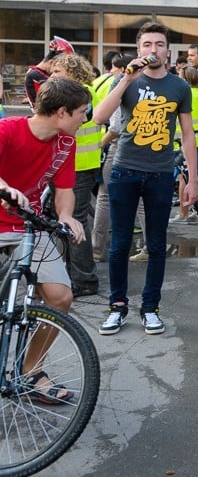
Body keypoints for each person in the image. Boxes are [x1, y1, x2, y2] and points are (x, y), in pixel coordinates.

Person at [93, 21, 198, 337]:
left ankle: (150, 308)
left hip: (160, 173)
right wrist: (127, 79)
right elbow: (99, 117)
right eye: (147, 45)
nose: (153, 50)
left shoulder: (179, 87)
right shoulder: (126, 81)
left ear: (168, 51)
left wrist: (192, 180)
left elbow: (189, 134)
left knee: (155, 244)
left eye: (159, 44)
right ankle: (117, 307)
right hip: (124, 170)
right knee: (120, 243)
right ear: (139, 50)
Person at [0, 76, 89, 403]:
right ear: (62, 112)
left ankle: (30, 370)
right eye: (82, 112)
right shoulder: (8, 130)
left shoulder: (66, 142)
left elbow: (65, 190)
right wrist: (6, 187)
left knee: (60, 297)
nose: (85, 118)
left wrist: (66, 216)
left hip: (29, 225)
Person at [48, 53, 102, 297]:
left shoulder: (80, 94)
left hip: (79, 164)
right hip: (78, 163)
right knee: (69, 218)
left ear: (72, 73)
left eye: (57, 72)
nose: (52, 76)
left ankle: (84, 278)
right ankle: (74, 273)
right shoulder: (85, 91)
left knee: (75, 219)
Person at [91, 52, 137, 261]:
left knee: (105, 197)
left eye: (115, 68)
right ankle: (151, 248)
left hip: (119, 145)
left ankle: (97, 249)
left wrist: (101, 143)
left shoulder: (119, 83)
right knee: (142, 200)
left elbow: (116, 126)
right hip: (142, 146)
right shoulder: (149, 83)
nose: (112, 72)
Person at [171, 66, 198, 222]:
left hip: (184, 141)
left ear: (184, 79)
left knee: (184, 178)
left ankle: (183, 213)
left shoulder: (182, 95)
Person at [25, 36, 74, 110]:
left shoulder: (37, 72)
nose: (54, 74)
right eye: (56, 70)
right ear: (51, 62)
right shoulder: (35, 74)